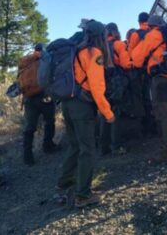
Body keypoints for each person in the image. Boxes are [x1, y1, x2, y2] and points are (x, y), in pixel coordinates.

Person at [56, 20, 114, 208]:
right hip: (82, 107)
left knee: (75, 145)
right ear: (100, 36)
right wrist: (107, 112)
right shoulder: (94, 53)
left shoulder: (75, 51)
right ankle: (83, 195)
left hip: (68, 103)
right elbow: (97, 88)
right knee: (87, 149)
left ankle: (65, 182)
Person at [130, 15, 167, 166]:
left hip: (160, 78)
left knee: (162, 113)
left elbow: (136, 56)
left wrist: (139, 64)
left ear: (151, 25)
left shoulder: (154, 34)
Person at [20, 43, 60, 165]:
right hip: (44, 97)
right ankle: (48, 146)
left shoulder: (26, 61)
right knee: (49, 121)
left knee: (29, 127)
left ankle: (27, 156)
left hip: (28, 98)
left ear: (34, 50)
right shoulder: (47, 59)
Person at [99, 23, 129, 156]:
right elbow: (125, 64)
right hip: (116, 83)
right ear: (116, 32)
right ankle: (116, 146)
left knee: (104, 113)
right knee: (115, 113)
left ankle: (103, 147)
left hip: (102, 83)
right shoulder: (119, 45)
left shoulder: (100, 47)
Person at [128, 12, 156, 137]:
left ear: (139, 21)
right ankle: (154, 124)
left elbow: (131, 52)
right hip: (154, 69)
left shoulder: (135, 34)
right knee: (152, 96)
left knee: (140, 97)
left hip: (139, 71)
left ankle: (144, 126)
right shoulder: (153, 33)